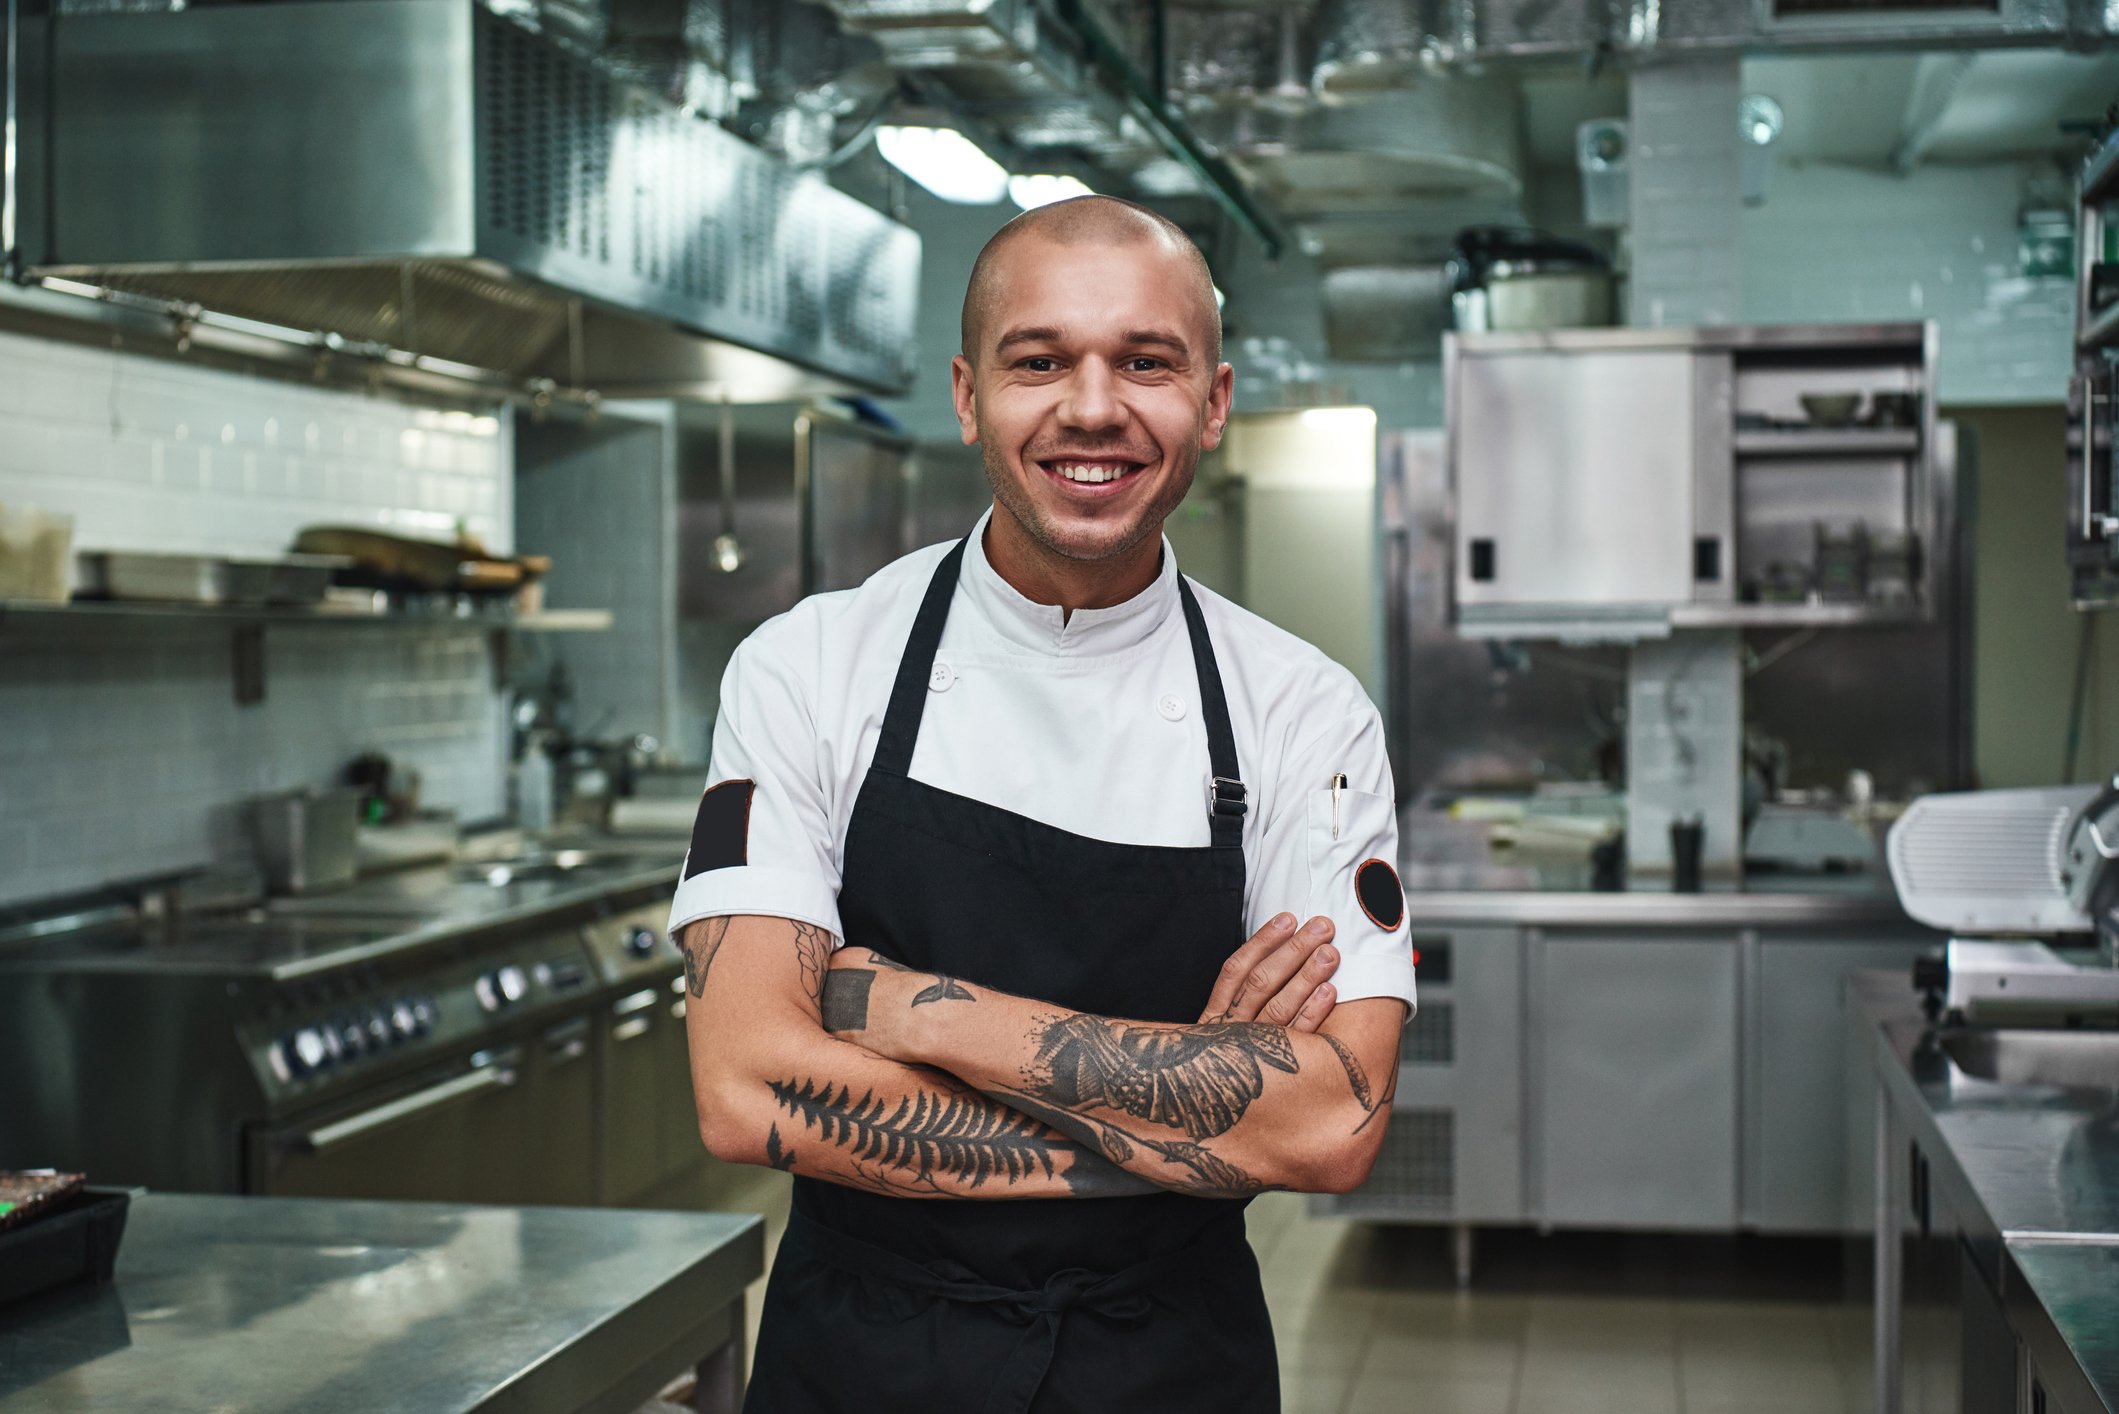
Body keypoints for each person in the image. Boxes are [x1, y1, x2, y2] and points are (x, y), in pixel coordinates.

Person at [669, 195, 1415, 1413]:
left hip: (1169, 1363)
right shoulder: (809, 668)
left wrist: (908, 1008)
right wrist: (1194, 1122)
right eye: (1039, 362)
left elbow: (1333, 1121)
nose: (1092, 407)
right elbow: (746, 1088)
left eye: (1146, 362)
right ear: (968, 396)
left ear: (1213, 401)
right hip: (862, 1359)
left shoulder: (1304, 713)